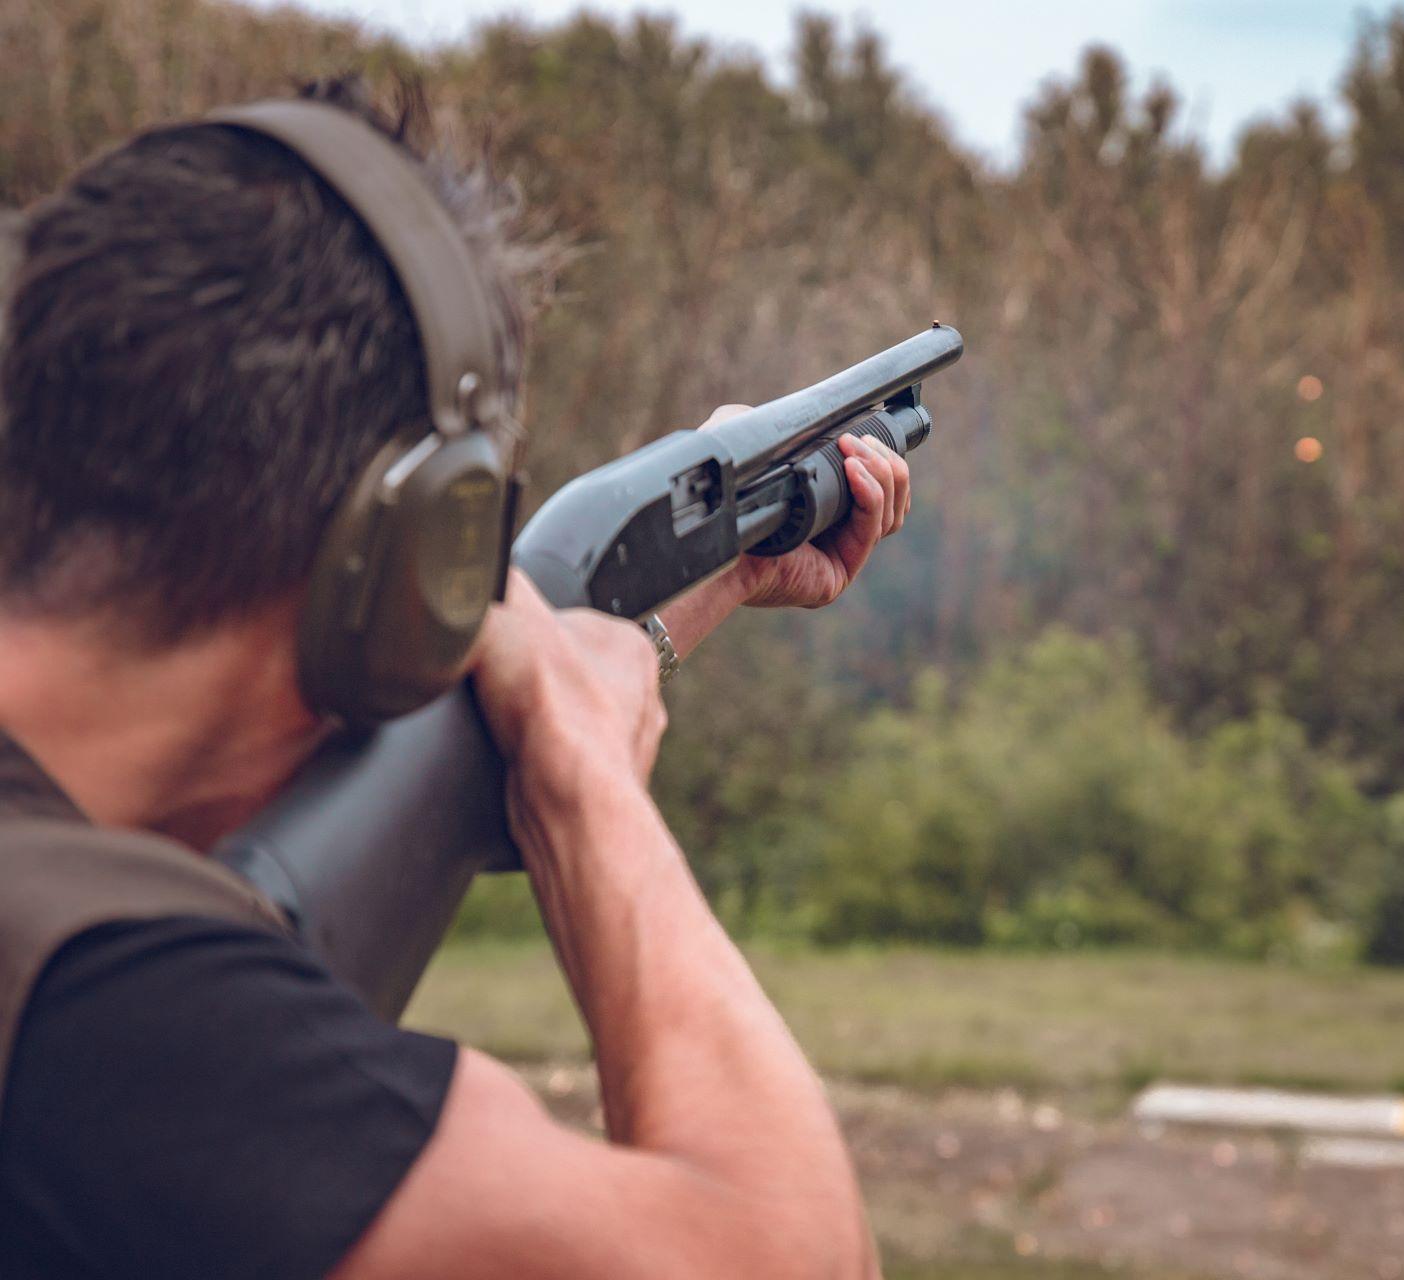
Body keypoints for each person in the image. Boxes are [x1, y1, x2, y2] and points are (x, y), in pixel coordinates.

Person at [0, 82, 910, 1279]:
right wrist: (585, 782)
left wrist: (710, 569)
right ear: (413, 558)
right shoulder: (104, 1014)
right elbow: (783, 1257)